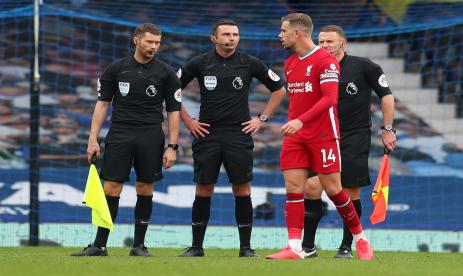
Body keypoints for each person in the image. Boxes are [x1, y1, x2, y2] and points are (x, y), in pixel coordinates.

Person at [266, 13, 373, 260]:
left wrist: (300, 120)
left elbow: (329, 99)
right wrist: (295, 123)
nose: (279, 36)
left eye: (283, 31)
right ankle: (294, 247)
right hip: (295, 135)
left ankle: (361, 239)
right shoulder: (290, 62)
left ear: (297, 33)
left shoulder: (326, 61)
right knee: (294, 188)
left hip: (323, 134)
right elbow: (298, 99)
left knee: (335, 190)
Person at [177, 19, 286, 258]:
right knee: (204, 188)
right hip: (207, 133)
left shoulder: (249, 62)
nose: (232, 38)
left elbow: (279, 89)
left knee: (241, 189)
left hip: (239, 134)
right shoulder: (200, 62)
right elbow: (172, 91)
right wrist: (188, 121)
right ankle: (196, 247)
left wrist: (262, 119)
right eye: (226, 34)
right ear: (213, 39)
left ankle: (245, 248)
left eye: (235, 34)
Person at [71, 23, 181, 257]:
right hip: (120, 133)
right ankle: (99, 245)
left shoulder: (166, 72)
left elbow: (173, 111)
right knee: (110, 187)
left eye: (157, 43)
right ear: (136, 41)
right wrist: (93, 139)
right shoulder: (116, 69)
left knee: (145, 187)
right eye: (149, 42)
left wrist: (172, 146)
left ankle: (139, 246)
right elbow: (102, 105)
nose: (154, 47)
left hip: (151, 134)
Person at [301, 25, 396, 259]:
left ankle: (346, 246)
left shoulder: (364, 66)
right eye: (321, 42)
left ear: (343, 42)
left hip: (354, 135)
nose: (324, 46)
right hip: (321, 136)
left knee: (348, 190)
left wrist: (387, 128)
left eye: (330, 42)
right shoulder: (312, 67)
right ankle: (307, 247)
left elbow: (386, 95)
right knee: (312, 187)